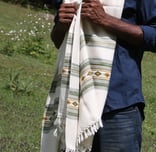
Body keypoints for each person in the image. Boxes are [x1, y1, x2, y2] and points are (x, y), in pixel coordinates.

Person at [46, 0, 156, 151]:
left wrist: (106, 20)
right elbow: (58, 40)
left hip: (117, 104)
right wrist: (62, 24)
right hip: (72, 98)